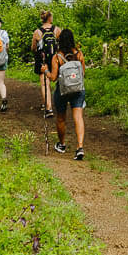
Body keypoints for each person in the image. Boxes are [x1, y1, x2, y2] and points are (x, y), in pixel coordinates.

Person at [50, 26, 87, 159]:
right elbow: (83, 73)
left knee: (61, 118)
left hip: (62, 90)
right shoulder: (79, 54)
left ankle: (62, 144)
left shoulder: (57, 57)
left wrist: (45, 71)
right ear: (72, 40)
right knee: (78, 117)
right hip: (78, 89)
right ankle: (80, 147)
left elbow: (53, 77)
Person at [31, 10, 60, 118]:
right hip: (55, 58)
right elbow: (61, 44)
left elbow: (33, 48)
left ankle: (48, 108)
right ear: (50, 18)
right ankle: (59, 103)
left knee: (44, 84)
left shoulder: (37, 32)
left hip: (42, 59)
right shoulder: (57, 30)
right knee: (58, 81)